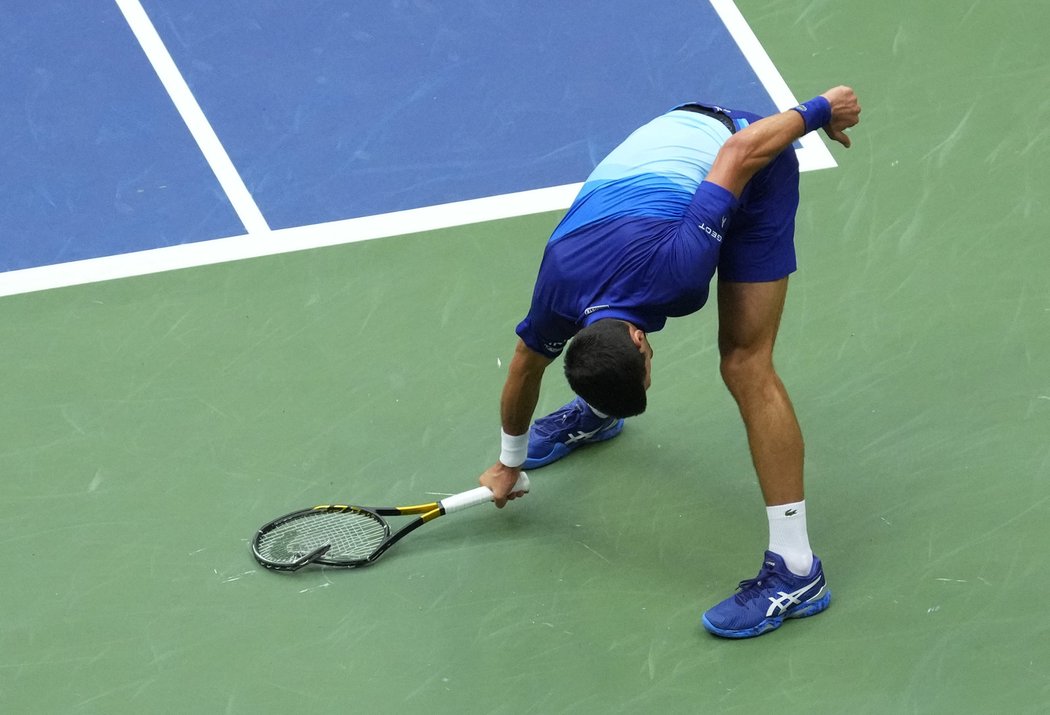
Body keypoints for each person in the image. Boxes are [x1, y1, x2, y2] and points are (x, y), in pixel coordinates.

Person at [479, 86, 862, 639]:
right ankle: (600, 412)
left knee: (745, 363)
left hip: (744, 151)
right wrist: (507, 462)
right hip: (672, 158)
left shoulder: (676, 273)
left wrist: (819, 110)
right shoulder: (558, 290)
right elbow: (524, 362)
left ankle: (799, 572)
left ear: (636, 340)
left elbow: (737, 157)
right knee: (710, 351)